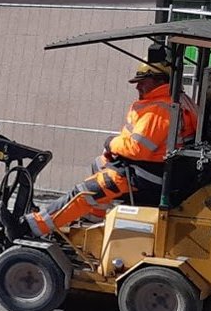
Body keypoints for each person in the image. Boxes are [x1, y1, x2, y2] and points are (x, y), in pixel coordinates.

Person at [24, 60, 199, 238]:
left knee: (86, 191)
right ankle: (92, 222)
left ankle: (33, 227)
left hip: (149, 175)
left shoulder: (159, 109)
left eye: (142, 81)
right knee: (100, 163)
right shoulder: (175, 101)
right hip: (159, 170)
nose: (137, 87)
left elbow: (137, 149)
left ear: (160, 80)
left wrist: (111, 143)